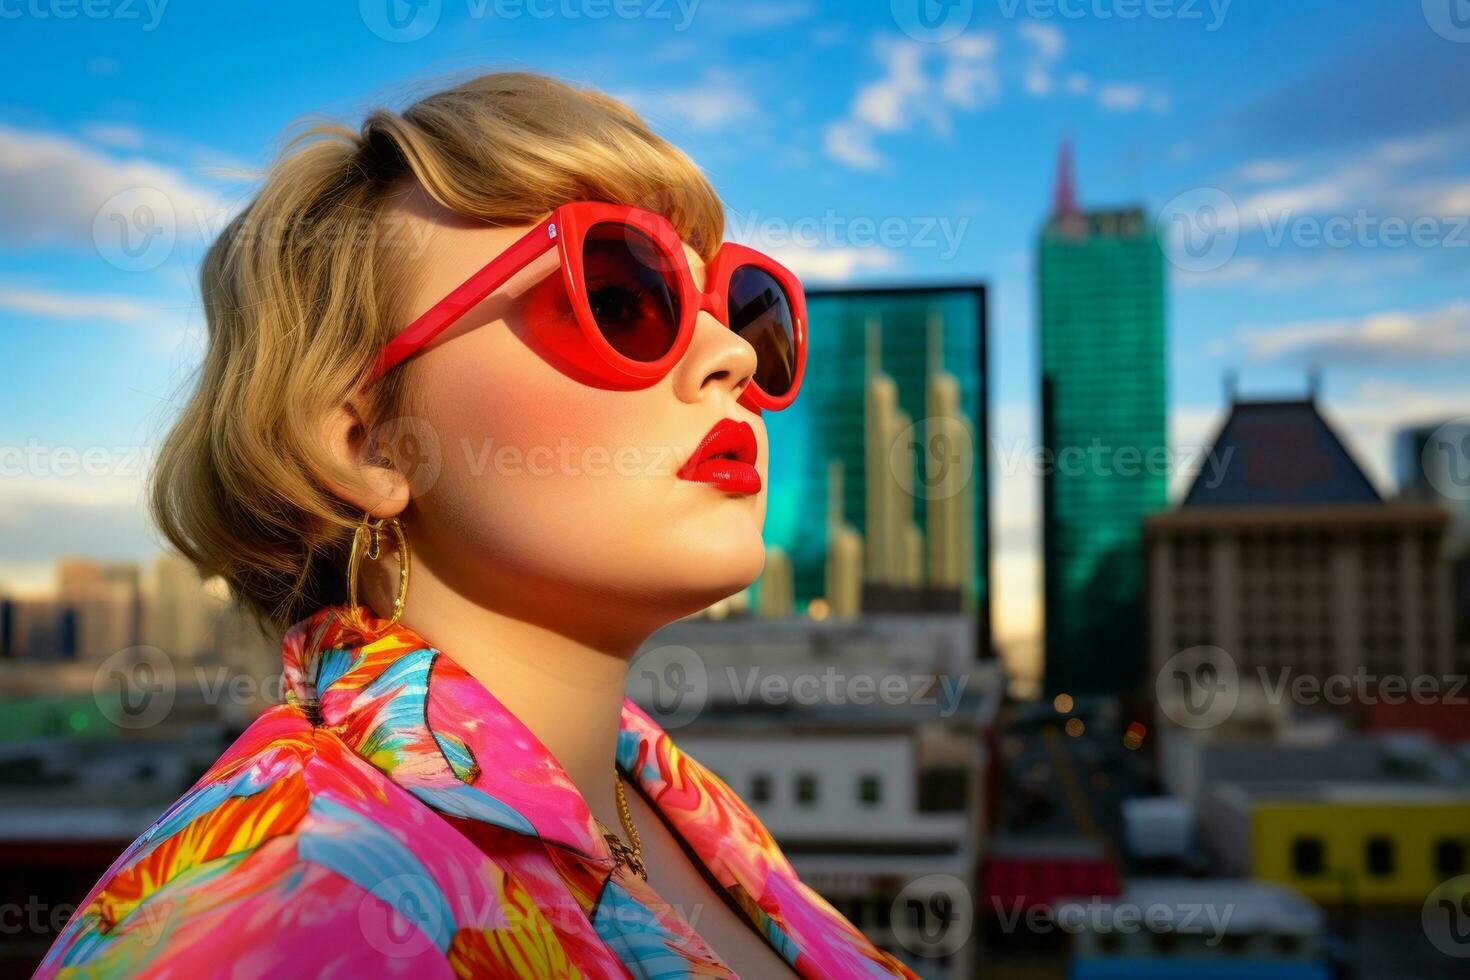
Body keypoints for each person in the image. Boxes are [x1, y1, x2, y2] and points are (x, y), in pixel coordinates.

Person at [39, 72, 918, 979]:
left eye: (739, 310)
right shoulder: (284, 907)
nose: (732, 355)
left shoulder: (681, 805)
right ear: (368, 444)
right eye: (617, 296)